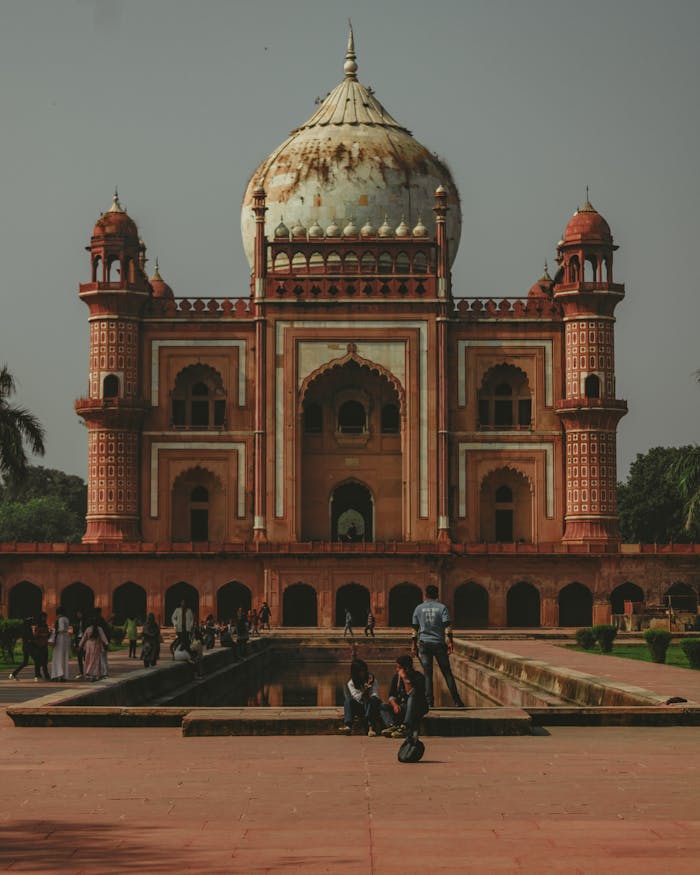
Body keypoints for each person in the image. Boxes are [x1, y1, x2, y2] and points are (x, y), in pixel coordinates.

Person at [411, 584, 464, 708]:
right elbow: (447, 626)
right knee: (447, 673)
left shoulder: (419, 608)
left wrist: (413, 645)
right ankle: (457, 701)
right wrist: (450, 641)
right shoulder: (442, 608)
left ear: (425, 595)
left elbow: (414, 629)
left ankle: (429, 702)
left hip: (424, 644)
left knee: (428, 674)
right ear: (437, 595)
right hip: (439, 643)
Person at [380, 654, 429, 738]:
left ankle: (406, 727)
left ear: (406, 668)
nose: (397, 670)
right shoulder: (396, 678)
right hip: (402, 706)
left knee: (412, 697)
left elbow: (411, 693)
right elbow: (391, 695)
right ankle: (393, 726)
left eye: (399, 668)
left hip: (416, 707)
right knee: (382, 706)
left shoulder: (418, 677)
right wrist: (395, 705)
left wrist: (405, 678)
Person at [338, 658, 383, 737]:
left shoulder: (372, 679)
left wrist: (368, 692)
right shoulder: (351, 683)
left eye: (364, 670)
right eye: (361, 671)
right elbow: (357, 698)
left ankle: (371, 727)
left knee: (371, 700)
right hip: (360, 707)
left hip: (371, 707)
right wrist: (364, 692)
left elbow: (375, 695)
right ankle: (348, 725)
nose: (363, 673)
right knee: (348, 701)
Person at [79, 616, 109, 681]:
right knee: (95, 660)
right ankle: (94, 673)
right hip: (96, 645)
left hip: (89, 645)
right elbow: (103, 637)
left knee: (88, 659)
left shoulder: (88, 629)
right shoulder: (99, 629)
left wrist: (80, 645)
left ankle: (88, 672)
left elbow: (84, 638)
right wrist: (106, 643)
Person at [50, 606, 71, 682]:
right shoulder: (66, 619)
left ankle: (58, 674)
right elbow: (65, 629)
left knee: (58, 657)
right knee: (64, 657)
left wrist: (54, 630)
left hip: (59, 639)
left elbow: (61, 629)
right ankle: (63, 675)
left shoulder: (60, 619)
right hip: (65, 638)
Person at [32, 612, 51, 681]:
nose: (44, 618)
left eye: (45, 617)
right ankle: (37, 675)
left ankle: (46, 675)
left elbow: (48, 634)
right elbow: (35, 635)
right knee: (38, 661)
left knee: (45, 661)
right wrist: (43, 635)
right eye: (43, 617)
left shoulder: (45, 625)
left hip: (44, 645)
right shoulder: (38, 625)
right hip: (38, 645)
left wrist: (48, 634)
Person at [95, 607, 112, 678]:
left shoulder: (99, 622)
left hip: (101, 641)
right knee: (103, 657)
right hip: (105, 640)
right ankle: (104, 672)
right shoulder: (102, 621)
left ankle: (104, 673)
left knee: (102, 657)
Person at [72, 610, 86, 678]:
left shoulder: (86, 622)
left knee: (85, 657)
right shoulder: (76, 622)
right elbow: (75, 633)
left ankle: (86, 671)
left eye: (79, 614)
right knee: (79, 657)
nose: (78, 615)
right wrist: (75, 642)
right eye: (77, 614)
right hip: (78, 639)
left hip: (84, 640)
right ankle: (81, 672)